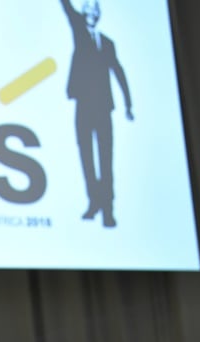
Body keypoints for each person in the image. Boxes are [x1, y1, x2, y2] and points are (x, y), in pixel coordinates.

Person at [59, 0, 134, 227]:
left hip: (103, 109)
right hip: (83, 107)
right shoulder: (80, 34)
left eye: (95, 11)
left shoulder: (108, 44)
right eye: (87, 10)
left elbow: (118, 72)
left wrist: (128, 104)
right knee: (87, 158)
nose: (91, 14)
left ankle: (108, 210)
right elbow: (68, 9)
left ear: (99, 15)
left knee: (105, 159)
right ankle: (94, 203)